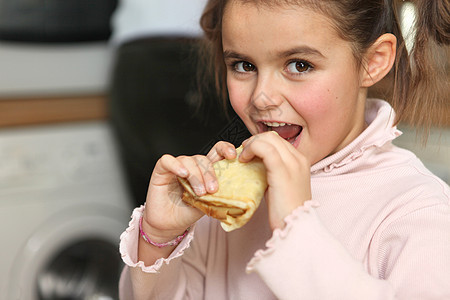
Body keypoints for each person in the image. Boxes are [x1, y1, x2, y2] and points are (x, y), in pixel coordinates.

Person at [118, 0, 450, 299]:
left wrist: (296, 227)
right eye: (244, 66)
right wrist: (159, 239)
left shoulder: (417, 212)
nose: (262, 96)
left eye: (299, 65)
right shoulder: (226, 205)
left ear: (373, 62)